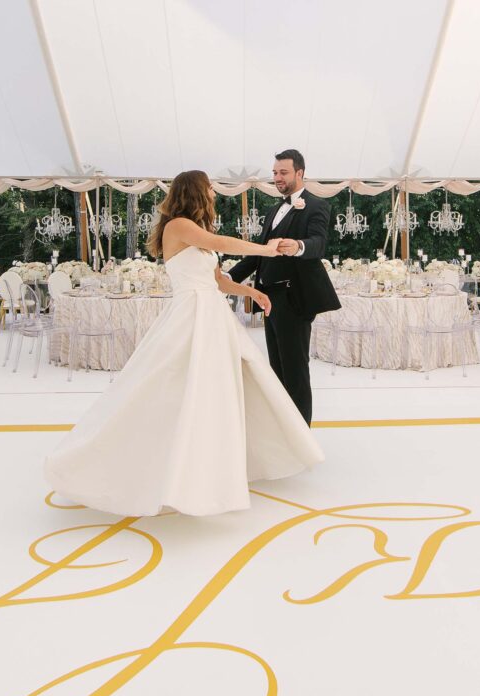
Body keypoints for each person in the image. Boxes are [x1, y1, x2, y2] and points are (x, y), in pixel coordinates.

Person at [44, 170, 324, 517]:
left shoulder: (196, 233)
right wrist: (265, 248)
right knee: (171, 387)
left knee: (218, 391)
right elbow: (222, 243)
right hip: (191, 315)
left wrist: (252, 291)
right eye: (208, 188)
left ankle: (210, 468)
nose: (213, 194)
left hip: (213, 315)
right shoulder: (177, 226)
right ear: (194, 191)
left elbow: (218, 280)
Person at [228, 149, 340, 425]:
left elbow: (318, 243)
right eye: (275, 172)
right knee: (276, 368)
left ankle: (301, 433)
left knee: (295, 370)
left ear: (299, 173)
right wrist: (228, 279)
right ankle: (283, 429)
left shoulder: (316, 206)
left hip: (294, 298)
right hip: (269, 298)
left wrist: (299, 246)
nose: (277, 177)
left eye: (283, 172)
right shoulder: (272, 210)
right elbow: (258, 254)